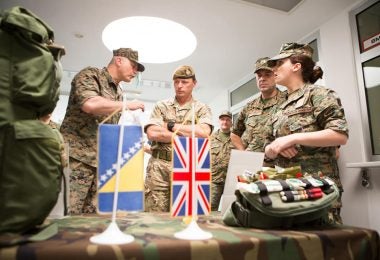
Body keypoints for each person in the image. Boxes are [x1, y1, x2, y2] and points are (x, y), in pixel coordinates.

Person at [264, 42, 349, 224]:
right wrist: (273, 148)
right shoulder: (279, 107)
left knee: (322, 247)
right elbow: (269, 143)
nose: (274, 70)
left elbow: (339, 134)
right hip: (285, 190)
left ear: (296, 66)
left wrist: (292, 138)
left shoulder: (318, 94)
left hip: (317, 190)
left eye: (279, 64)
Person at [60, 48, 145, 214]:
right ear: (119, 60)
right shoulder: (91, 75)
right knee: (67, 214)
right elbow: (90, 104)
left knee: (94, 218)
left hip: (102, 165)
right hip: (77, 160)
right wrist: (127, 106)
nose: (135, 72)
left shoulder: (119, 92)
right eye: (133, 66)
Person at [144, 65, 213, 212]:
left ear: (194, 83)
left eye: (184, 82)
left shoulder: (201, 108)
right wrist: (188, 134)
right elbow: (152, 133)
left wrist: (169, 126)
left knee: (185, 214)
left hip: (187, 166)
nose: (179, 86)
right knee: (154, 214)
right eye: (176, 82)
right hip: (159, 167)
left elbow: (203, 134)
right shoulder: (161, 106)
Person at [231, 57, 287, 165]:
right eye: (259, 75)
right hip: (251, 166)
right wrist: (243, 153)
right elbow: (234, 134)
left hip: (279, 166)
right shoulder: (249, 107)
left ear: (275, 76)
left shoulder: (287, 100)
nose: (262, 79)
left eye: (267, 74)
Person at [210, 110, 234, 211]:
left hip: (232, 180)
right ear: (219, 121)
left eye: (228, 119)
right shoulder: (210, 138)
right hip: (215, 180)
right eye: (222, 119)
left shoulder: (237, 137)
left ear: (231, 122)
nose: (225, 122)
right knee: (210, 208)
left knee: (231, 209)